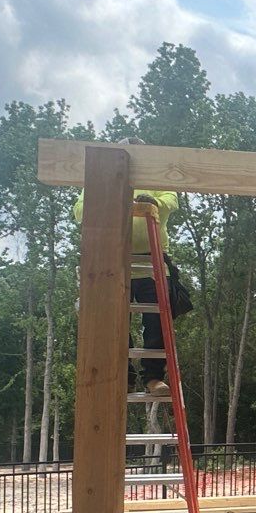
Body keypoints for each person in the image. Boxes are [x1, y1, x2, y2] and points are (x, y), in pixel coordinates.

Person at [72, 145, 191, 397]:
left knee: (157, 323)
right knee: (111, 324)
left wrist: (153, 202)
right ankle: (122, 375)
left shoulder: (155, 177)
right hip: (111, 265)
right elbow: (80, 210)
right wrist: (112, 199)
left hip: (152, 265)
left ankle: (153, 378)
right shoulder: (100, 179)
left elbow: (171, 201)